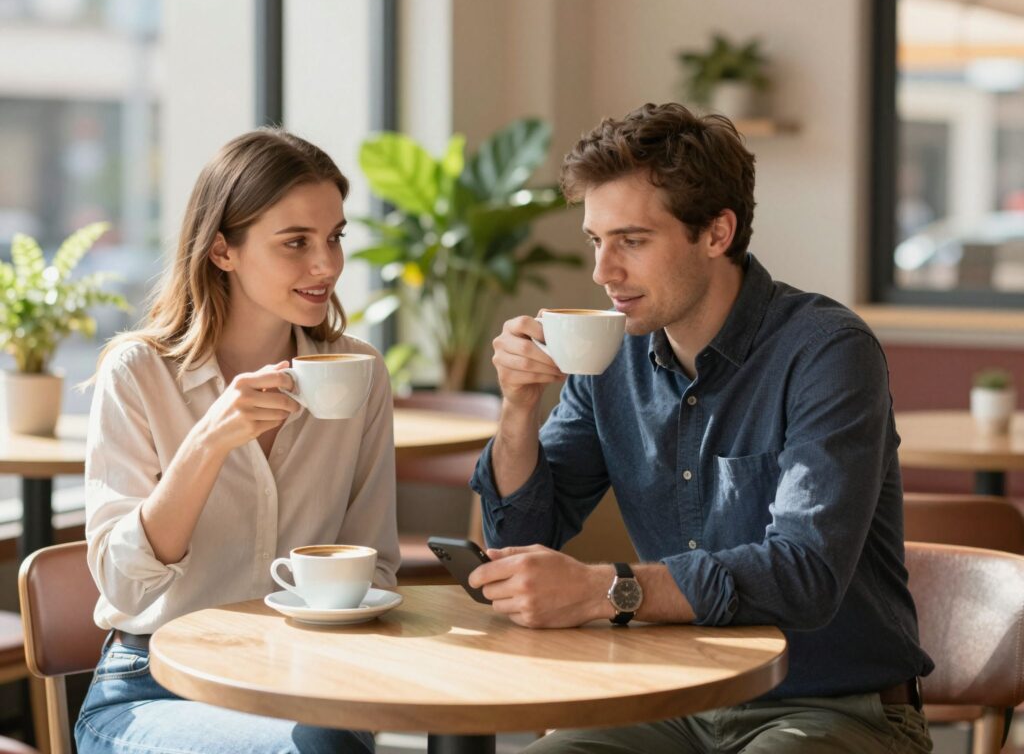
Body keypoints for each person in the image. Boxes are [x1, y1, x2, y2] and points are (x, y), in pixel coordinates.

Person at [468, 103, 934, 753]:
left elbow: (805, 574)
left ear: (717, 233)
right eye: (596, 242)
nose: (604, 273)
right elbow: (521, 537)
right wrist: (517, 407)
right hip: (670, 699)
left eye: (631, 241)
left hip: (832, 708)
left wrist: (608, 589)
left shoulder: (827, 352)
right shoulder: (613, 357)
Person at [76, 129, 398, 754]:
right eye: (295, 243)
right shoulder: (139, 373)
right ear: (223, 250)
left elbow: (375, 561)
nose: (326, 265)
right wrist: (208, 442)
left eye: (334, 238)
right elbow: (123, 586)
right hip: (152, 688)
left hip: (308, 682)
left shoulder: (360, 372)